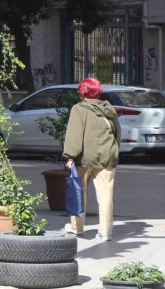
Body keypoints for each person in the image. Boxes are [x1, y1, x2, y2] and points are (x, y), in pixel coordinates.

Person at [62, 77, 121, 240]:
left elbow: (74, 134)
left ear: (82, 93)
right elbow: (117, 132)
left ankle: (77, 227)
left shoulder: (79, 109)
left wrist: (70, 156)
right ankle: (106, 232)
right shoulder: (109, 108)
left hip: (85, 157)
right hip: (107, 155)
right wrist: (114, 151)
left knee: (79, 191)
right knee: (106, 195)